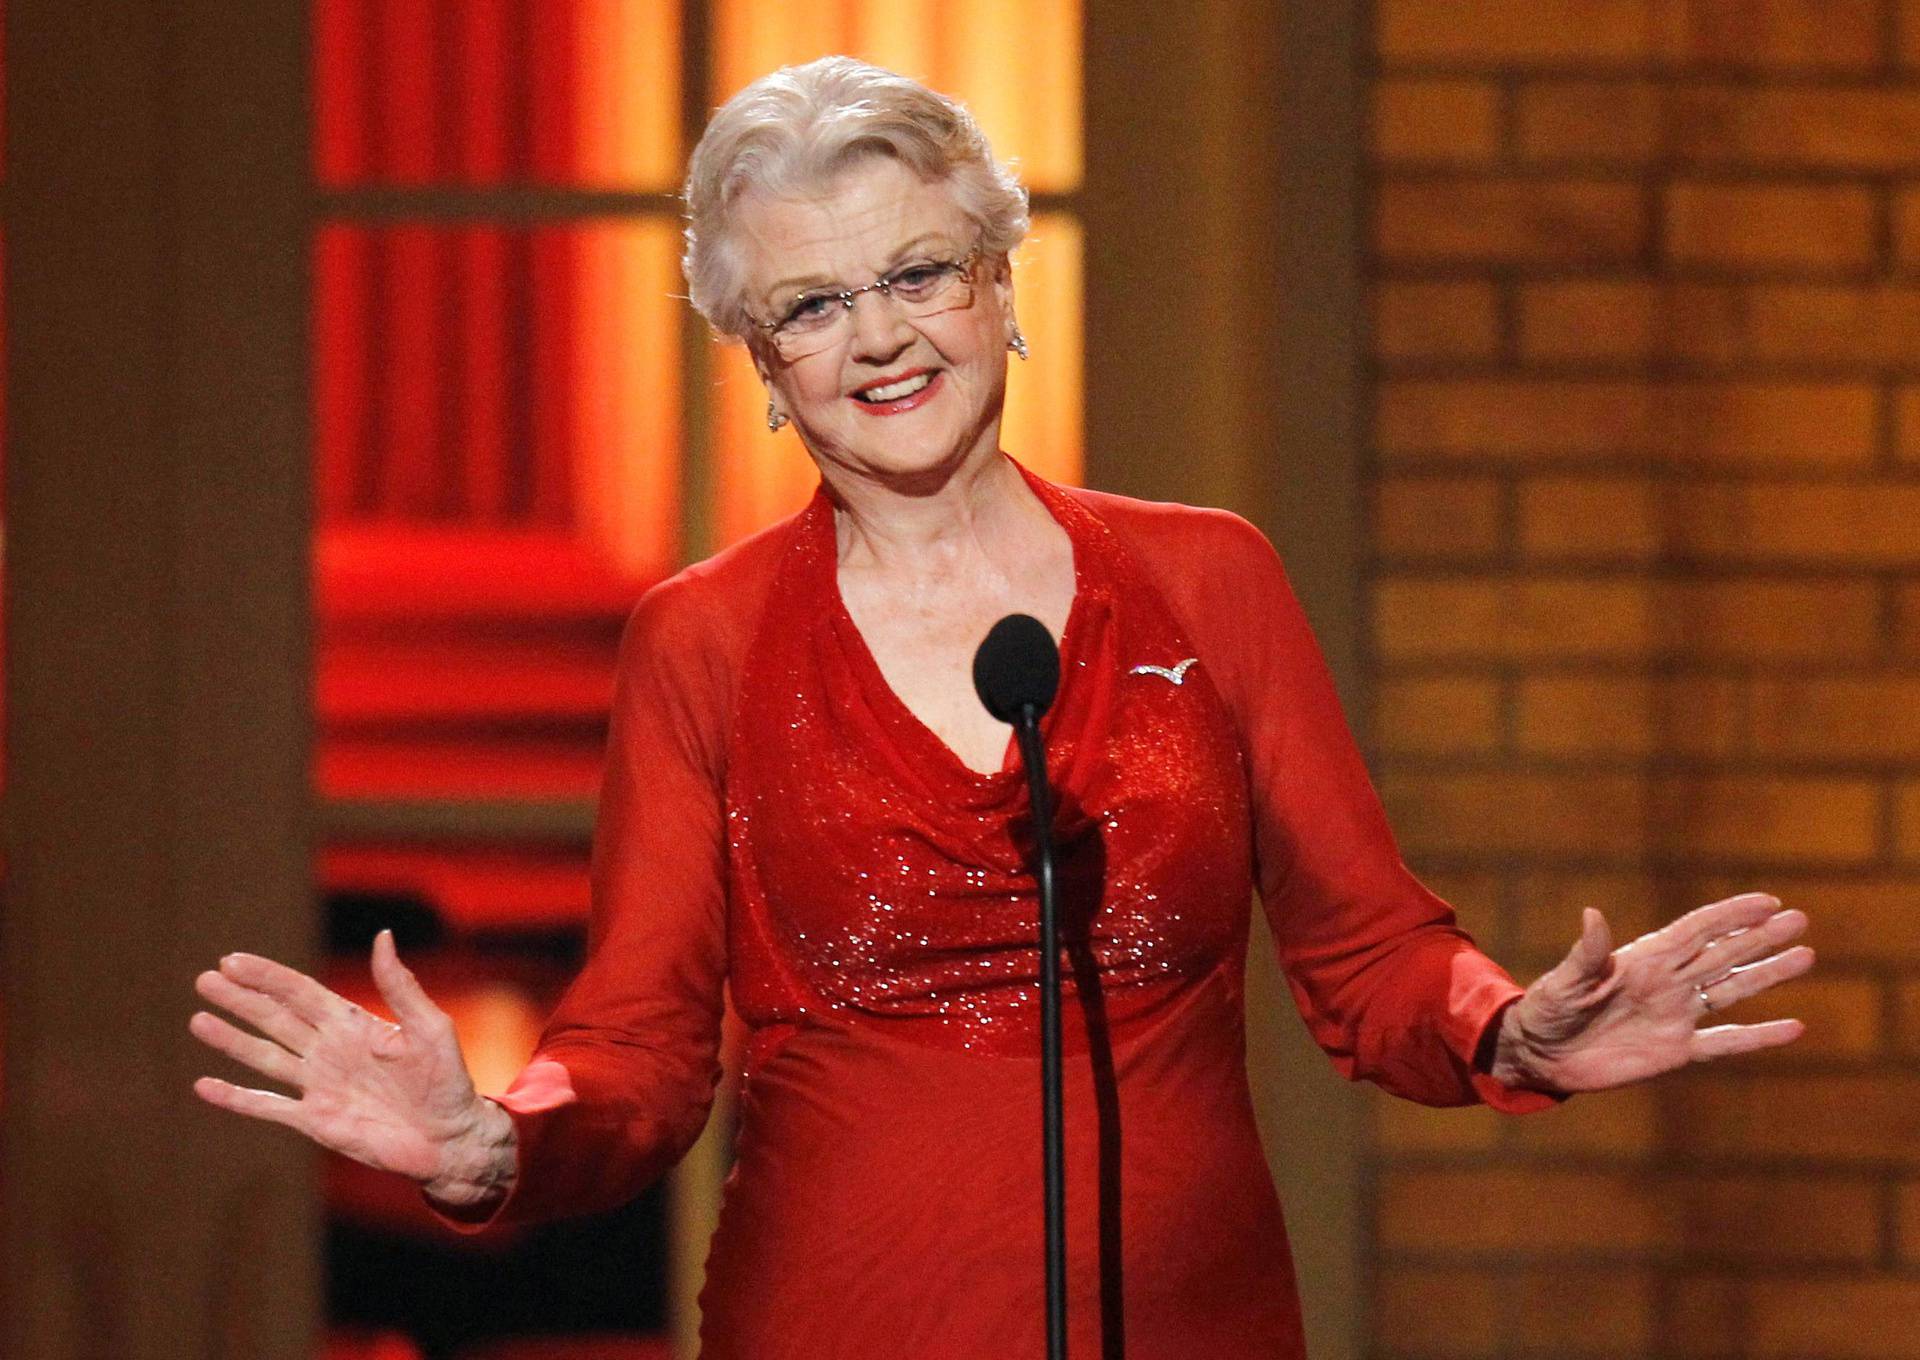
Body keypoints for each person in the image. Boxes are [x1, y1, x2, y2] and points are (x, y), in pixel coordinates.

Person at [189, 57, 1814, 1359]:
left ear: (1000, 289)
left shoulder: (1211, 579)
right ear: (761, 363)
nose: (881, 336)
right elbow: (639, 1050)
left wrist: (1508, 1026)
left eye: (919, 273)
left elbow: (1373, 957)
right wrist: (495, 1144)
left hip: (1192, 1325)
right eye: (813, 307)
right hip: (840, 1323)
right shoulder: (703, 639)